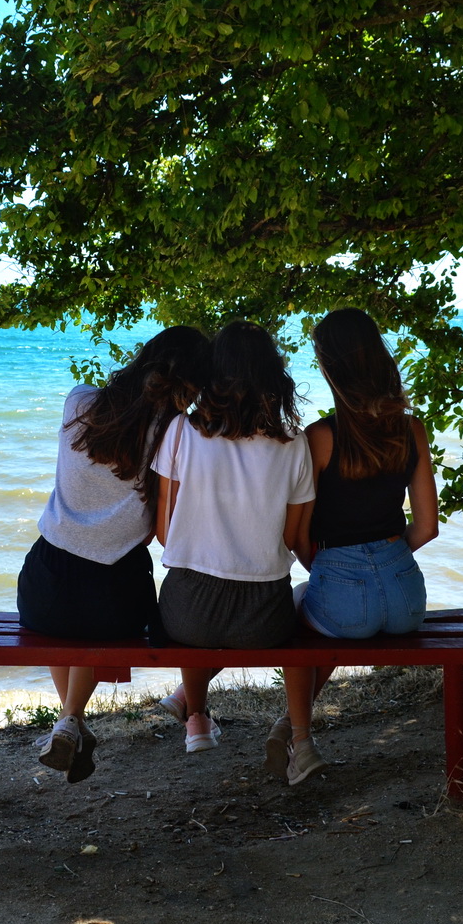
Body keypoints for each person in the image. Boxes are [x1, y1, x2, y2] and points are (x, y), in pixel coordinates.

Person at [17, 327, 212, 783]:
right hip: (115, 593)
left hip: (44, 586)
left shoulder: (80, 401)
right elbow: (162, 530)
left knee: (68, 620)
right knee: (92, 611)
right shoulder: (176, 433)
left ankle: (71, 723)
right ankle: (70, 720)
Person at [151, 322, 322, 781]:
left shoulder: (181, 433)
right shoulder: (295, 445)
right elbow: (289, 540)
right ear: (275, 375)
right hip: (263, 619)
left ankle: (196, 718)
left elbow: (165, 532)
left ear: (213, 375)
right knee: (308, 597)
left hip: (186, 613)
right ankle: (292, 733)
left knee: (194, 603)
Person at [277, 308, 439, 778]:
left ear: (329, 367)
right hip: (408, 599)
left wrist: (332, 567)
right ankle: (286, 726)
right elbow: (426, 528)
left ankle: (302, 743)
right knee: (322, 613)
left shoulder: (320, 437)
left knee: (291, 622)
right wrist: (384, 560)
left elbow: (295, 535)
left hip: (345, 599)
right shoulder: (412, 429)